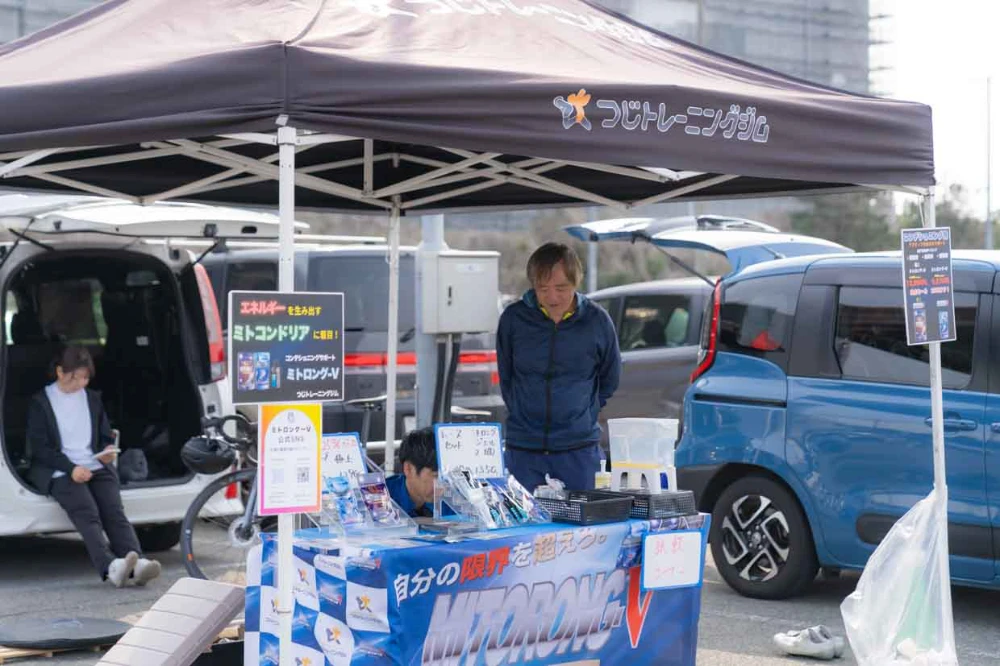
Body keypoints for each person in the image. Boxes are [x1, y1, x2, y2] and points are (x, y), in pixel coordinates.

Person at [26, 346, 161, 588]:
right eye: (75, 377)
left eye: (85, 378)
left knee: (114, 511)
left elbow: (105, 434)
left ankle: (138, 563)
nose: (81, 383)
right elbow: (40, 449)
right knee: (87, 512)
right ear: (60, 372)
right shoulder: (41, 402)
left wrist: (107, 451)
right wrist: (71, 468)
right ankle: (110, 567)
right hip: (60, 470)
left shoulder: (92, 398)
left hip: (95, 464)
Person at [497, 242, 621, 492]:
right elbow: (506, 375)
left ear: (576, 282)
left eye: (561, 288)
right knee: (523, 517)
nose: (552, 297)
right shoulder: (514, 319)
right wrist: (522, 410)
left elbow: (611, 376)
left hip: (579, 450)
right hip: (524, 449)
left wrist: (585, 412)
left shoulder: (597, 320)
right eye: (543, 289)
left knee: (586, 516)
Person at [386, 427, 440, 517]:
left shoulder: (452, 500)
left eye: (445, 478)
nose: (442, 486)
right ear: (409, 469)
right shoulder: (380, 498)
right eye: (436, 476)